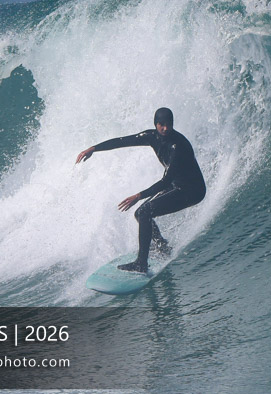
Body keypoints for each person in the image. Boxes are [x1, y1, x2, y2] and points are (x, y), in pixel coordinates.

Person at [75, 107, 206, 273]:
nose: (165, 128)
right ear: (156, 124)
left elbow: (165, 181)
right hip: (177, 185)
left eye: (169, 124)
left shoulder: (177, 146)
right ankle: (162, 246)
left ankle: (141, 264)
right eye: (161, 124)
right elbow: (122, 141)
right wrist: (94, 148)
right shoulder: (152, 136)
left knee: (144, 212)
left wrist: (139, 196)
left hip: (192, 190)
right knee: (140, 214)